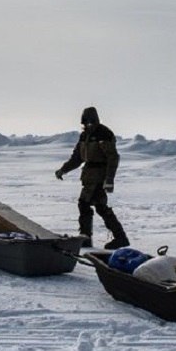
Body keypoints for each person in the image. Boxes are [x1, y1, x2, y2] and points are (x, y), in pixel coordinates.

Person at [55, 106, 130, 250]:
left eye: (91, 121)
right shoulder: (84, 136)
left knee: (86, 204)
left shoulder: (104, 134)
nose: (89, 124)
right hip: (89, 176)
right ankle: (114, 237)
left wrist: (109, 179)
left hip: (99, 176)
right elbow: (77, 157)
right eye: (86, 121)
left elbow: (112, 158)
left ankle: (94, 237)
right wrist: (63, 170)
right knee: (97, 206)